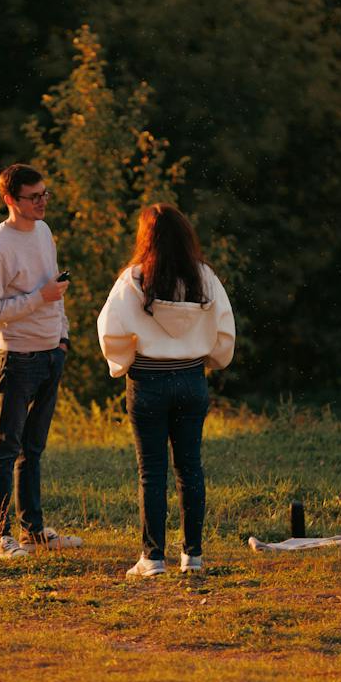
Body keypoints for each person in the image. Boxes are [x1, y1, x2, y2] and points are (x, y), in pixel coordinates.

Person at [97, 203, 235, 578]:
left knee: (152, 471)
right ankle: (193, 557)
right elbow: (225, 330)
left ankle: (152, 558)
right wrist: (208, 359)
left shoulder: (133, 280)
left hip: (148, 382)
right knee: (190, 466)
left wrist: (125, 361)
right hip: (191, 379)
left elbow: (110, 333)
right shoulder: (204, 278)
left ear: (146, 238)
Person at [0, 163, 83, 559]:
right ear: (9, 200)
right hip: (17, 356)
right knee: (7, 447)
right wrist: (40, 300)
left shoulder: (44, 231)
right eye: (33, 197)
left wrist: (63, 336)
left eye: (45, 194)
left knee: (32, 449)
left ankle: (33, 530)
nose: (42, 202)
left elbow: (56, 288)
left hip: (52, 351)